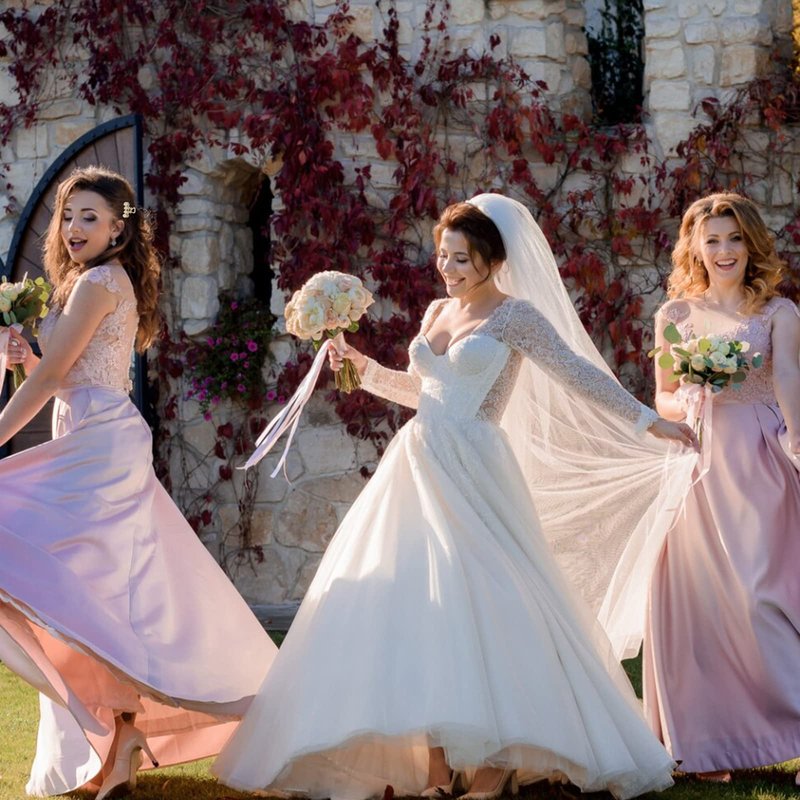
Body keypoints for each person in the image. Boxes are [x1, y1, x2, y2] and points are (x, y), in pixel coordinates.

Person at [213, 193, 699, 800]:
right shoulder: (437, 311)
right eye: (443, 255)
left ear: (493, 259)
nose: (448, 267)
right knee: (421, 609)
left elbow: (577, 374)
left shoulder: (516, 317)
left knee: (496, 606)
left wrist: (647, 422)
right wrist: (359, 365)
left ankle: (496, 767)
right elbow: (423, 393)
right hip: (418, 464)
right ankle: (439, 774)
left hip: (476, 469)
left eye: (462, 258)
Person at [0, 166, 277, 798]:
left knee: (70, 586)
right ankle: (119, 736)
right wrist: (26, 357)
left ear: (119, 230)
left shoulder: (99, 281)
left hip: (99, 443)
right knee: (89, 597)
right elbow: (61, 377)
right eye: (68, 216)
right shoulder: (83, 283)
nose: (73, 228)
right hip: (87, 433)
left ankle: (117, 727)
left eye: (90, 217)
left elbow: (55, 381)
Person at [644, 192, 800, 782]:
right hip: (696, 463)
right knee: (700, 604)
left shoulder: (778, 312)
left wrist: (798, 445)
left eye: (735, 238)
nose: (725, 250)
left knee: (766, 598)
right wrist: (693, 390)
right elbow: (661, 395)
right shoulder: (674, 315)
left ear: (751, 244)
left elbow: (788, 377)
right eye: (712, 240)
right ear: (696, 247)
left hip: (759, 457)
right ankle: (710, 748)